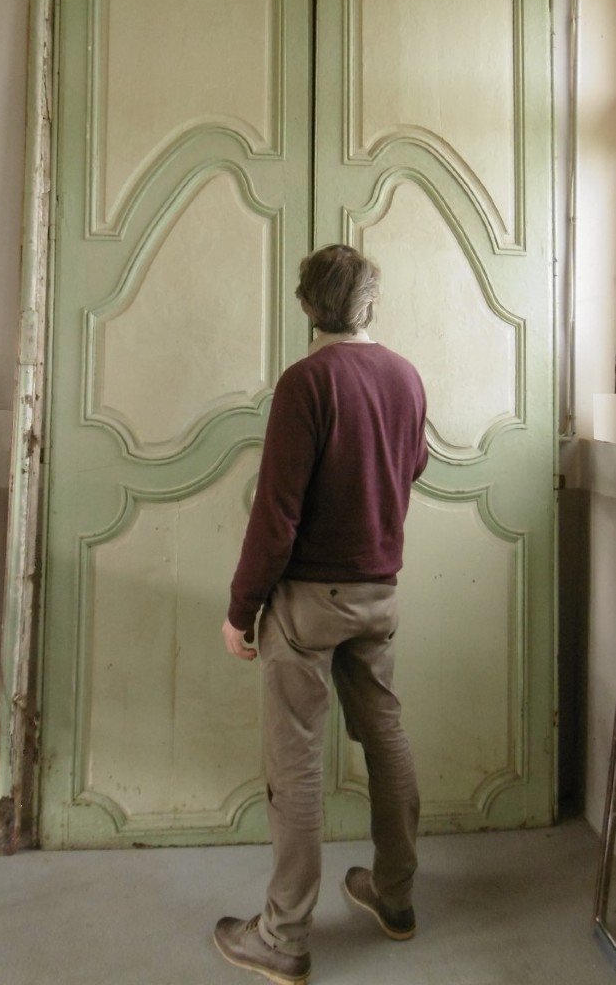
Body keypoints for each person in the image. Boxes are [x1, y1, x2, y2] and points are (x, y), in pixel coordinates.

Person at [214, 244, 428, 985]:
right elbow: (414, 464)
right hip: (378, 593)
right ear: (370, 301)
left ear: (309, 307)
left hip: (308, 602)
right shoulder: (404, 376)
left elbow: (275, 515)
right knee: (386, 737)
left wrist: (241, 610)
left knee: (296, 763)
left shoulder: (305, 382)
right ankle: (394, 898)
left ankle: (282, 937)